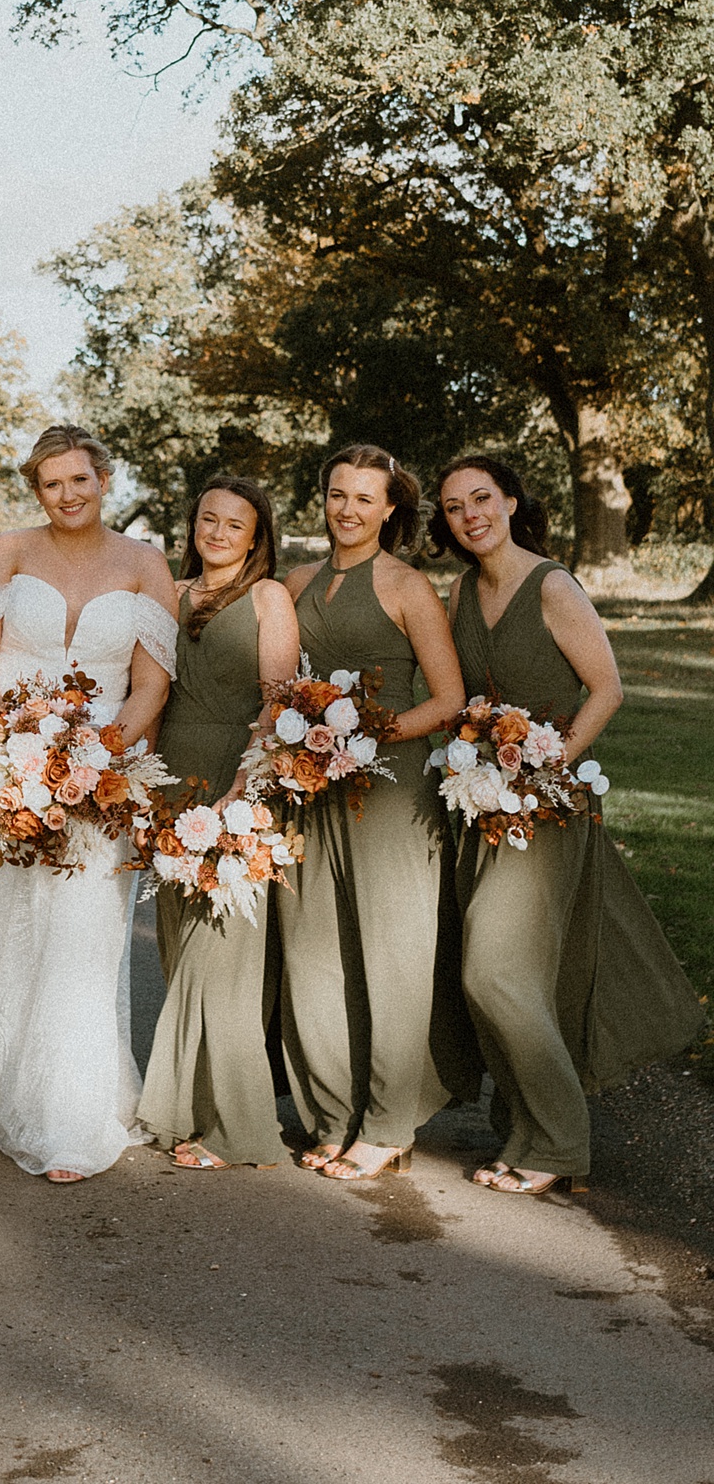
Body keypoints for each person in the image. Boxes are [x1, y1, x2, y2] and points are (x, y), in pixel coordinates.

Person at [433, 455, 704, 1195]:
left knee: (496, 970)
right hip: (481, 803)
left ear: (512, 501)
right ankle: (523, 1129)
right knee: (500, 971)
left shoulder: (551, 584)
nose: (470, 516)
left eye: (482, 499)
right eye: (455, 507)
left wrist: (544, 770)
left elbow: (607, 687)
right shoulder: (461, 590)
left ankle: (558, 1143)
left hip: (547, 807)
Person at [0, 424, 178, 1182]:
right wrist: (13, 750)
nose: (67, 495)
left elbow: (152, 683)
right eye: (51, 484)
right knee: (4, 926)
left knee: (83, 934)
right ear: (35, 490)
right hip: (7, 760)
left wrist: (96, 759)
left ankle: (71, 1113)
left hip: (105, 769)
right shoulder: (5, 551)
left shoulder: (146, 563)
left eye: (80, 480)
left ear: (104, 479)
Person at [280, 444, 466, 1181]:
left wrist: (368, 735)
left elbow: (447, 700)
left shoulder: (407, 586)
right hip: (310, 783)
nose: (347, 509)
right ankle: (331, 1113)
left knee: (391, 955)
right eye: (336, 494)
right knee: (310, 950)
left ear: (390, 508)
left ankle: (388, 1123)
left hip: (389, 790)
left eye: (364, 498)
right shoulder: (297, 581)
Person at [138, 477, 300, 1170]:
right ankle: (188, 1113)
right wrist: (141, 786)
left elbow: (279, 703)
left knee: (224, 956)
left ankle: (238, 1128)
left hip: (239, 778)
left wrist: (246, 787)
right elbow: (148, 691)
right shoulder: (168, 595)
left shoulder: (269, 598)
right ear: (193, 524)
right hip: (172, 775)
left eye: (236, 524)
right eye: (209, 519)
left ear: (257, 535)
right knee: (180, 948)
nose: (219, 533)